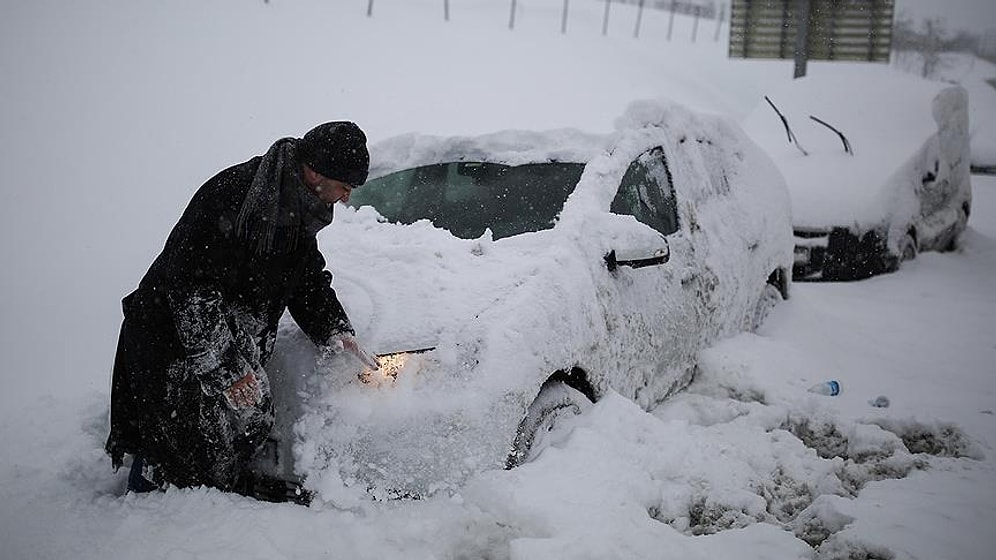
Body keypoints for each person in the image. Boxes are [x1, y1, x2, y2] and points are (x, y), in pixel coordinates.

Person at [105, 121, 380, 497]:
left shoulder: (298, 206)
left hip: (224, 337)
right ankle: (148, 515)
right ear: (315, 172)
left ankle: (218, 498)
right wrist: (229, 371)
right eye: (345, 187)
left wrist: (334, 328)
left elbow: (304, 277)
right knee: (180, 453)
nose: (346, 198)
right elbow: (191, 293)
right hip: (174, 343)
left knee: (245, 423)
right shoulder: (235, 197)